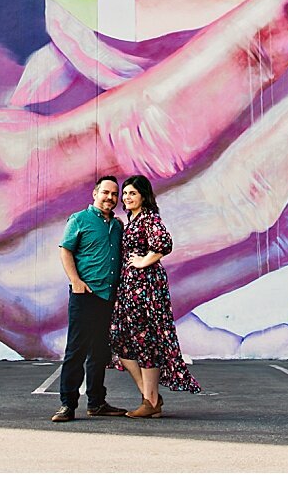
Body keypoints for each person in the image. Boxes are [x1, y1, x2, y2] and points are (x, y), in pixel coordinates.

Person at [110, 174, 202, 417]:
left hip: (146, 289)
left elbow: (164, 243)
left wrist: (143, 262)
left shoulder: (149, 218)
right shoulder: (133, 220)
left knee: (145, 341)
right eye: (125, 193)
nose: (127, 197)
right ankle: (150, 397)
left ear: (143, 196)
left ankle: (150, 401)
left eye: (132, 193)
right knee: (121, 342)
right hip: (129, 289)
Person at [52, 176, 131, 422]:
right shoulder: (79, 219)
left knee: (100, 352)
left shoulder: (117, 226)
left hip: (108, 296)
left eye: (114, 194)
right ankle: (67, 404)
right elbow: (65, 249)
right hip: (85, 295)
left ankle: (96, 402)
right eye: (105, 192)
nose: (110, 197)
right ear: (95, 193)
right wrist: (75, 280)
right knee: (76, 350)